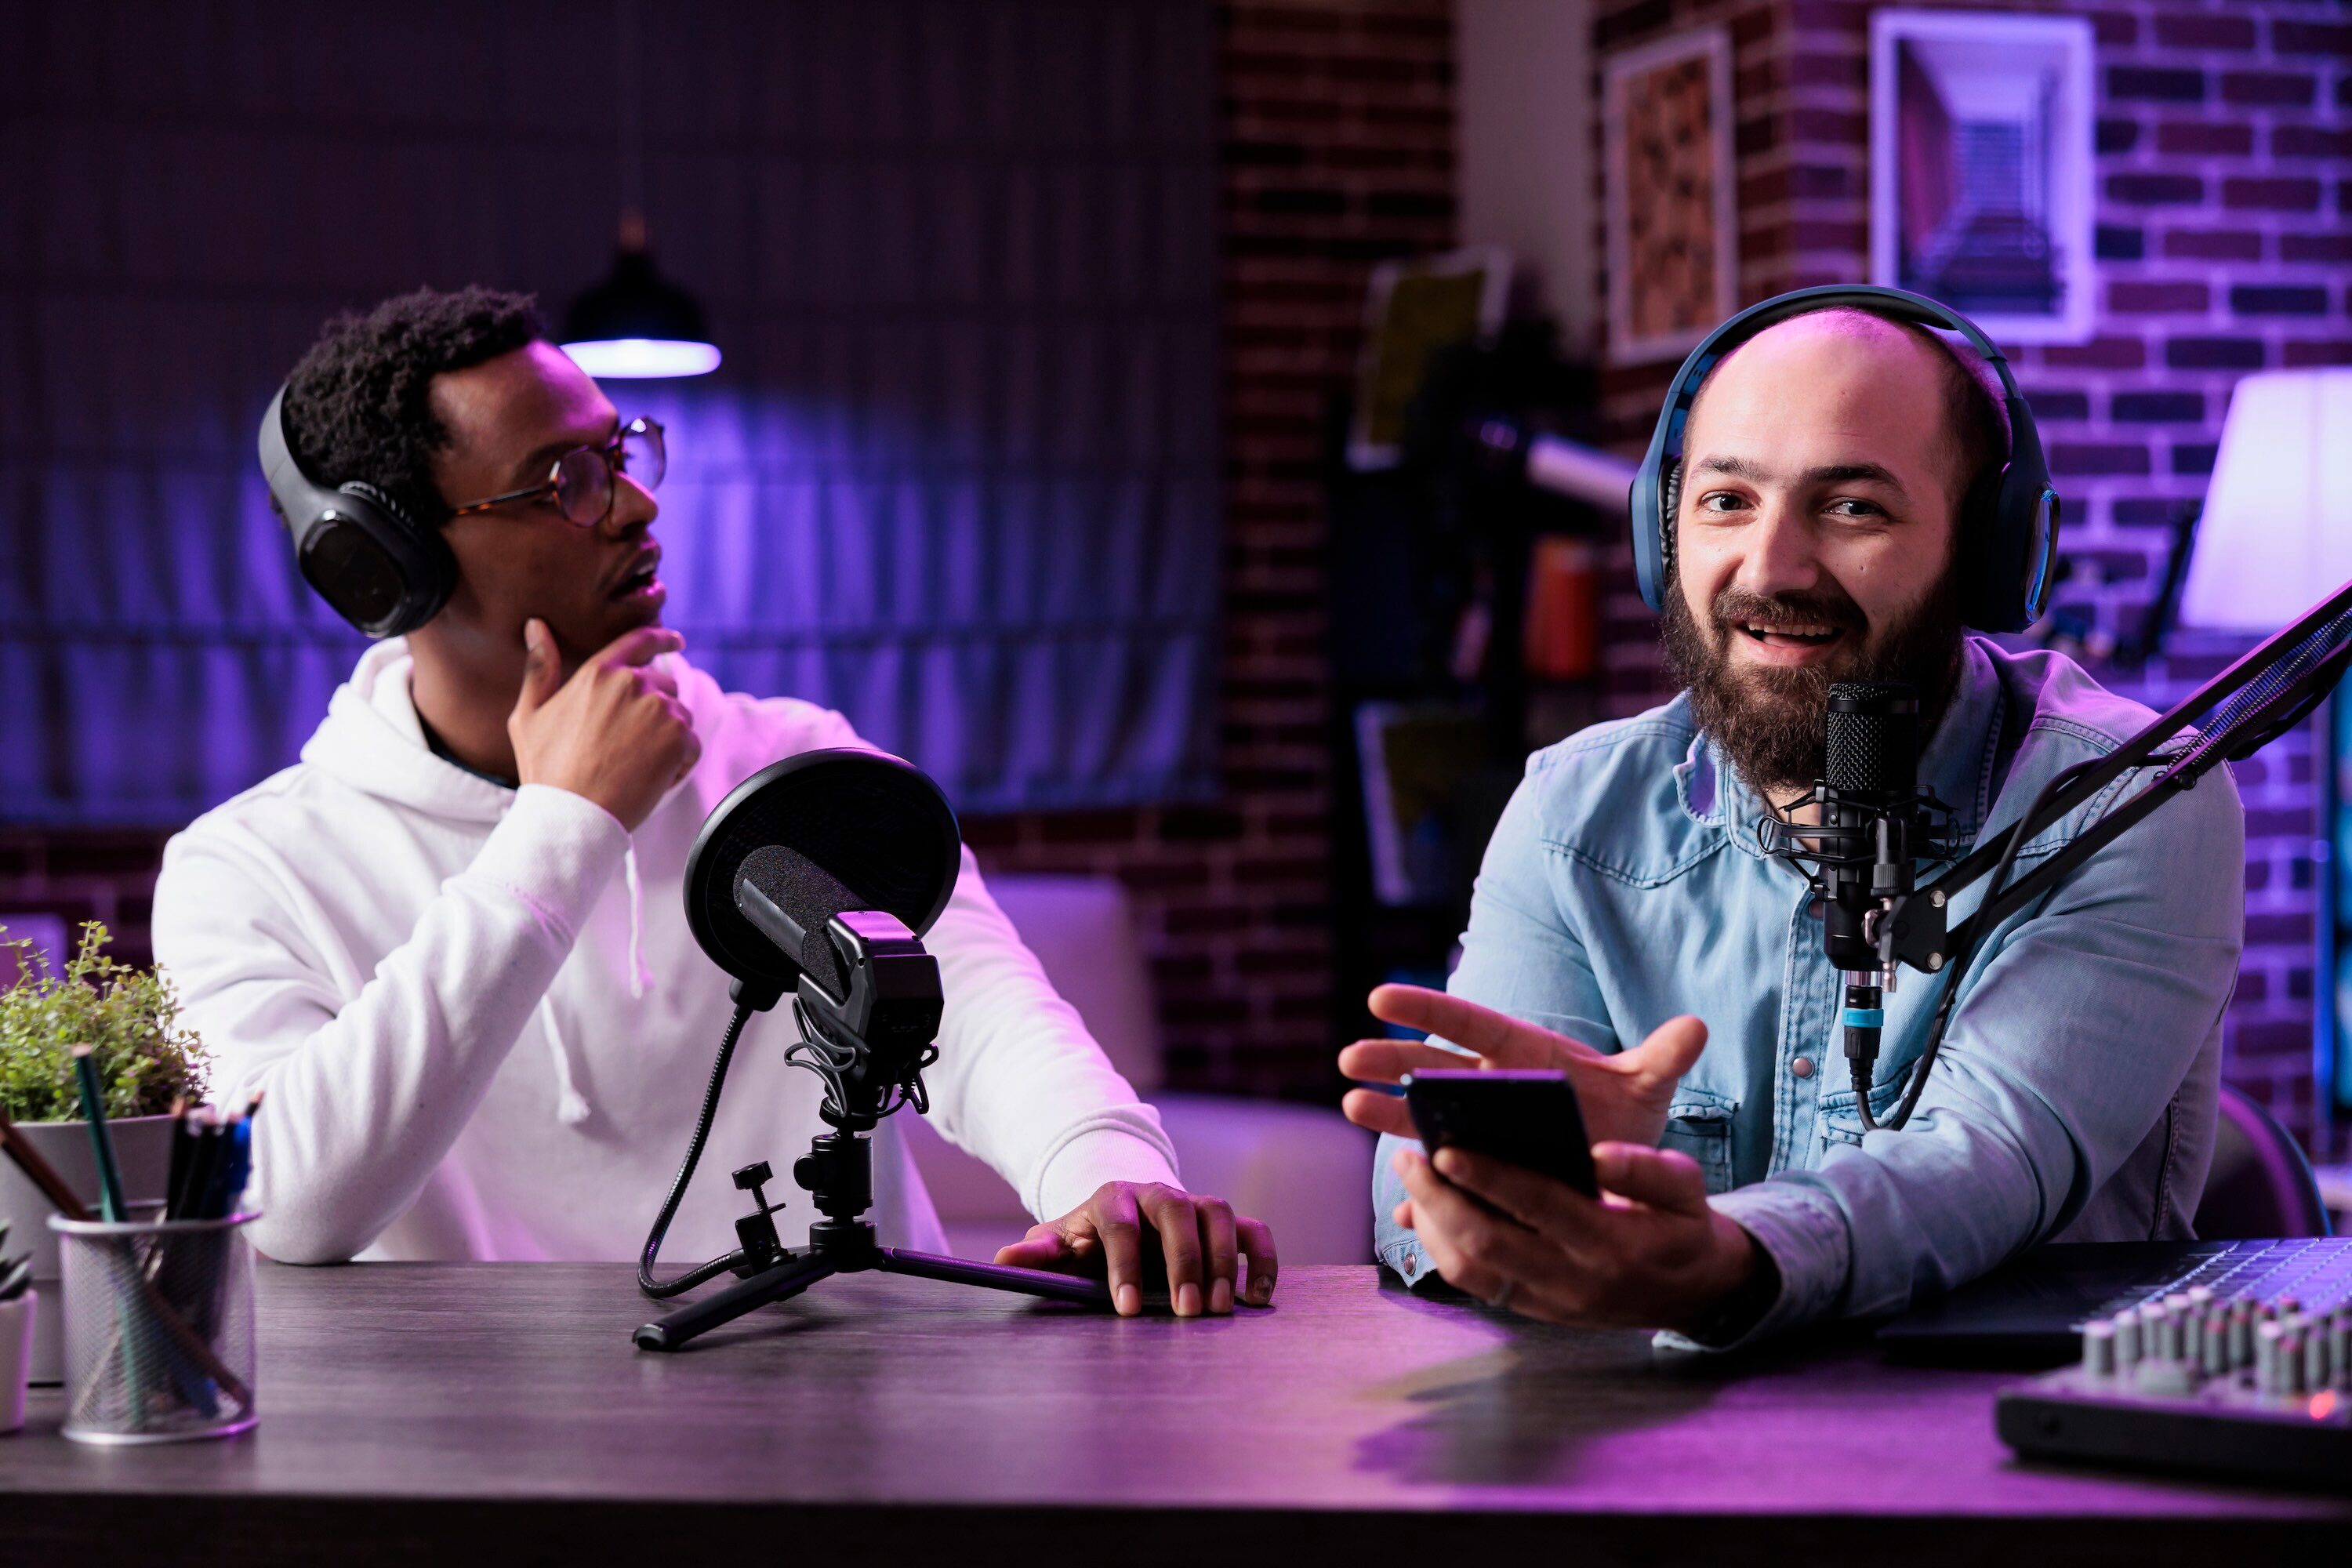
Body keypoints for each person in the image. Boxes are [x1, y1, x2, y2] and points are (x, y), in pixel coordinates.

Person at [153, 286, 1275, 1318]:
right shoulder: (244, 869)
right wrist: (565, 827)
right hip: (471, 1451)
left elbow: (979, 1012)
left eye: (623, 452)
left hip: (843, 1419)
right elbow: (288, 1206)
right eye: (566, 482)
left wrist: (1104, 1169)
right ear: (384, 567)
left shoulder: (789, 757)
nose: (637, 505)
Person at [1340, 292, 2243, 1346]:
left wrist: (1723, 1261)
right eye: (1727, 501)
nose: (1772, 569)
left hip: (2011, 1463)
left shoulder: (2125, 801)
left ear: (1988, 554)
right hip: (1651, 1469)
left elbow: (1991, 1159)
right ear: (1661, 530)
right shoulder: (1576, 813)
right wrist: (1512, 1190)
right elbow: (1425, 1203)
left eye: (1853, 507)